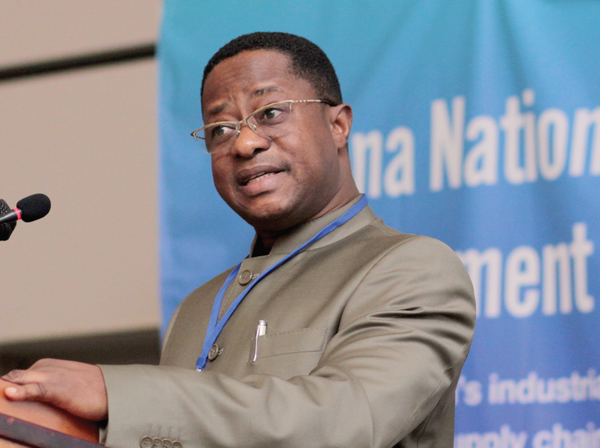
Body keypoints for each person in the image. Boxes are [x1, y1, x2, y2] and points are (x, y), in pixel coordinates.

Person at [2, 32, 475, 448]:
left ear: (338, 125)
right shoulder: (197, 307)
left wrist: (113, 393)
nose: (245, 144)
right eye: (221, 129)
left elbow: (346, 421)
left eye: (270, 113)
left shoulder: (411, 268)